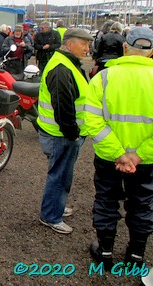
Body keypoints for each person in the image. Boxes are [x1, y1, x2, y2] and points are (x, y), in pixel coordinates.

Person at [85, 27, 153, 270]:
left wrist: (119, 153)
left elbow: (92, 121)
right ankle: (136, 256)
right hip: (146, 161)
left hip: (109, 157)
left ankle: (105, 253)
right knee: (142, 204)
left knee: (106, 200)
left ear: (125, 47)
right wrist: (137, 156)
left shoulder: (103, 78)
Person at [37, 28, 93, 234]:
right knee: (60, 175)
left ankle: (55, 207)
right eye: (83, 44)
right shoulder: (62, 68)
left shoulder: (67, 63)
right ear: (69, 44)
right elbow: (63, 107)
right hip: (61, 134)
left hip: (62, 133)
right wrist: (73, 134)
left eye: (88, 44)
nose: (87, 48)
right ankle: (51, 215)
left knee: (61, 173)